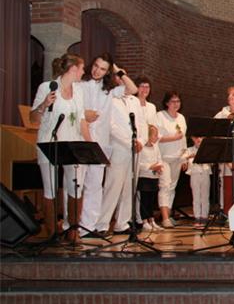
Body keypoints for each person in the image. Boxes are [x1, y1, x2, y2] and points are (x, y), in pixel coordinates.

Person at [29, 53, 90, 242]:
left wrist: (90, 145)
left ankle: (73, 230)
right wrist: (44, 104)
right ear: (73, 69)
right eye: (82, 68)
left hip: (72, 144)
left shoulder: (79, 91)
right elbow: (33, 118)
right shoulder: (47, 87)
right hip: (49, 143)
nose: (83, 72)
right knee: (50, 189)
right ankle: (51, 233)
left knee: (75, 187)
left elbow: (81, 120)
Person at [79, 53, 136, 237]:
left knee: (95, 186)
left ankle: (90, 226)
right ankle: (72, 226)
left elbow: (132, 89)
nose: (97, 71)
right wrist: (84, 114)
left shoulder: (109, 91)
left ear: (107, 72)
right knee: (77, 185)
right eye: (96, 66)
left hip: (101, 143)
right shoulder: (80, 85)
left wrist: (119, 72)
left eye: (103, 69)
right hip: (81, 140)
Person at [100, 81, 148, 235]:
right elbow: (111, 125)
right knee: (113, 186)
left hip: (136, 149)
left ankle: (122, 223)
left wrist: (141, 141)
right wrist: (129, 142)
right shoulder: (111, 98)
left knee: (130, 187)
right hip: (119, 148)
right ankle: (102, 224)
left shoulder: (135, 101)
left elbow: (142, 124)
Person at [155, 91, 187, 227]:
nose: (176, 104)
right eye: (173, 101)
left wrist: (184, 158)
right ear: (167, 103)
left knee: (172, 187)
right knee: (165, 185)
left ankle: (167, 215)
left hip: (177, 158)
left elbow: (183, 139)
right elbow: (156, 137)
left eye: (178, 101)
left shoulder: (181, 118)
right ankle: (164, 218)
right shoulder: (160, 116)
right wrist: (173, 138)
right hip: (164, 157)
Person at [137, 125, 166, 233]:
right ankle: (144, 221)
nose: (157, 137)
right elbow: (139, 163)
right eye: (155, 135)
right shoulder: (141, 148)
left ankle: (152, 220)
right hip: (144, 177)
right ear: (147, 136)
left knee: (151, 200)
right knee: (144, 200)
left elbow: (159, 159)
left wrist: (159, 166)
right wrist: (150, 167)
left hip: (154, 177)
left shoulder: (155, 147)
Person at [183, 136, 212, 227]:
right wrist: (189, 157)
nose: (198, 139)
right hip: (194, 174)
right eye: (196, 138)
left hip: (205, 173)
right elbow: (183, 159)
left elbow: (212, 162)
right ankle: (197, 217)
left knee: (205, 196)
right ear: (192, 138)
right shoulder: (189, 150)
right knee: (196, 196)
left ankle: (204, 217)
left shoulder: (207, 149)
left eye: (201, 137)